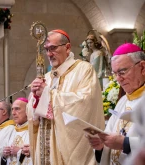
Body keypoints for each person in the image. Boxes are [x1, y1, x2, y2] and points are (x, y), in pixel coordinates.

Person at [27, 29, 105, 165]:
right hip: (45, 146)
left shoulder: (84, 69)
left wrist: (47, 95)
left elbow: (86, 102)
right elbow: (32, 114)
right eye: (46, 49)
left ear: (67, 47)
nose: (49, 54)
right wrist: (35, 98)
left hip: (70, 149)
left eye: (53, 48)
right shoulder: (46, 78)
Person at [87, 43, 145, 164]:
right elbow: (111, 139)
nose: (118, 79)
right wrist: (101, 146)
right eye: (115, 73)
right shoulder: (122, 102)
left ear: (142, 67)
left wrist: (124, 143)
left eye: (122, 72)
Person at [2, 98, 32, 165]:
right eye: (12, 109)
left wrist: (19, 152)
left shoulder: (34, 131)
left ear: (28, 111)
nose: (13, 113)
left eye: (17, 109)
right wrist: (4, 155)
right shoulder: (12, 131)